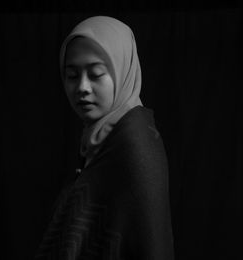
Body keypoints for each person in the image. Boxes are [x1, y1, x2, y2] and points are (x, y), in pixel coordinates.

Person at [34, 16, 174, 260]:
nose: (82, 87)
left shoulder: (135, 146)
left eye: (96, 73)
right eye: (72, 75)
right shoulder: (99, 139)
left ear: (122, 72)